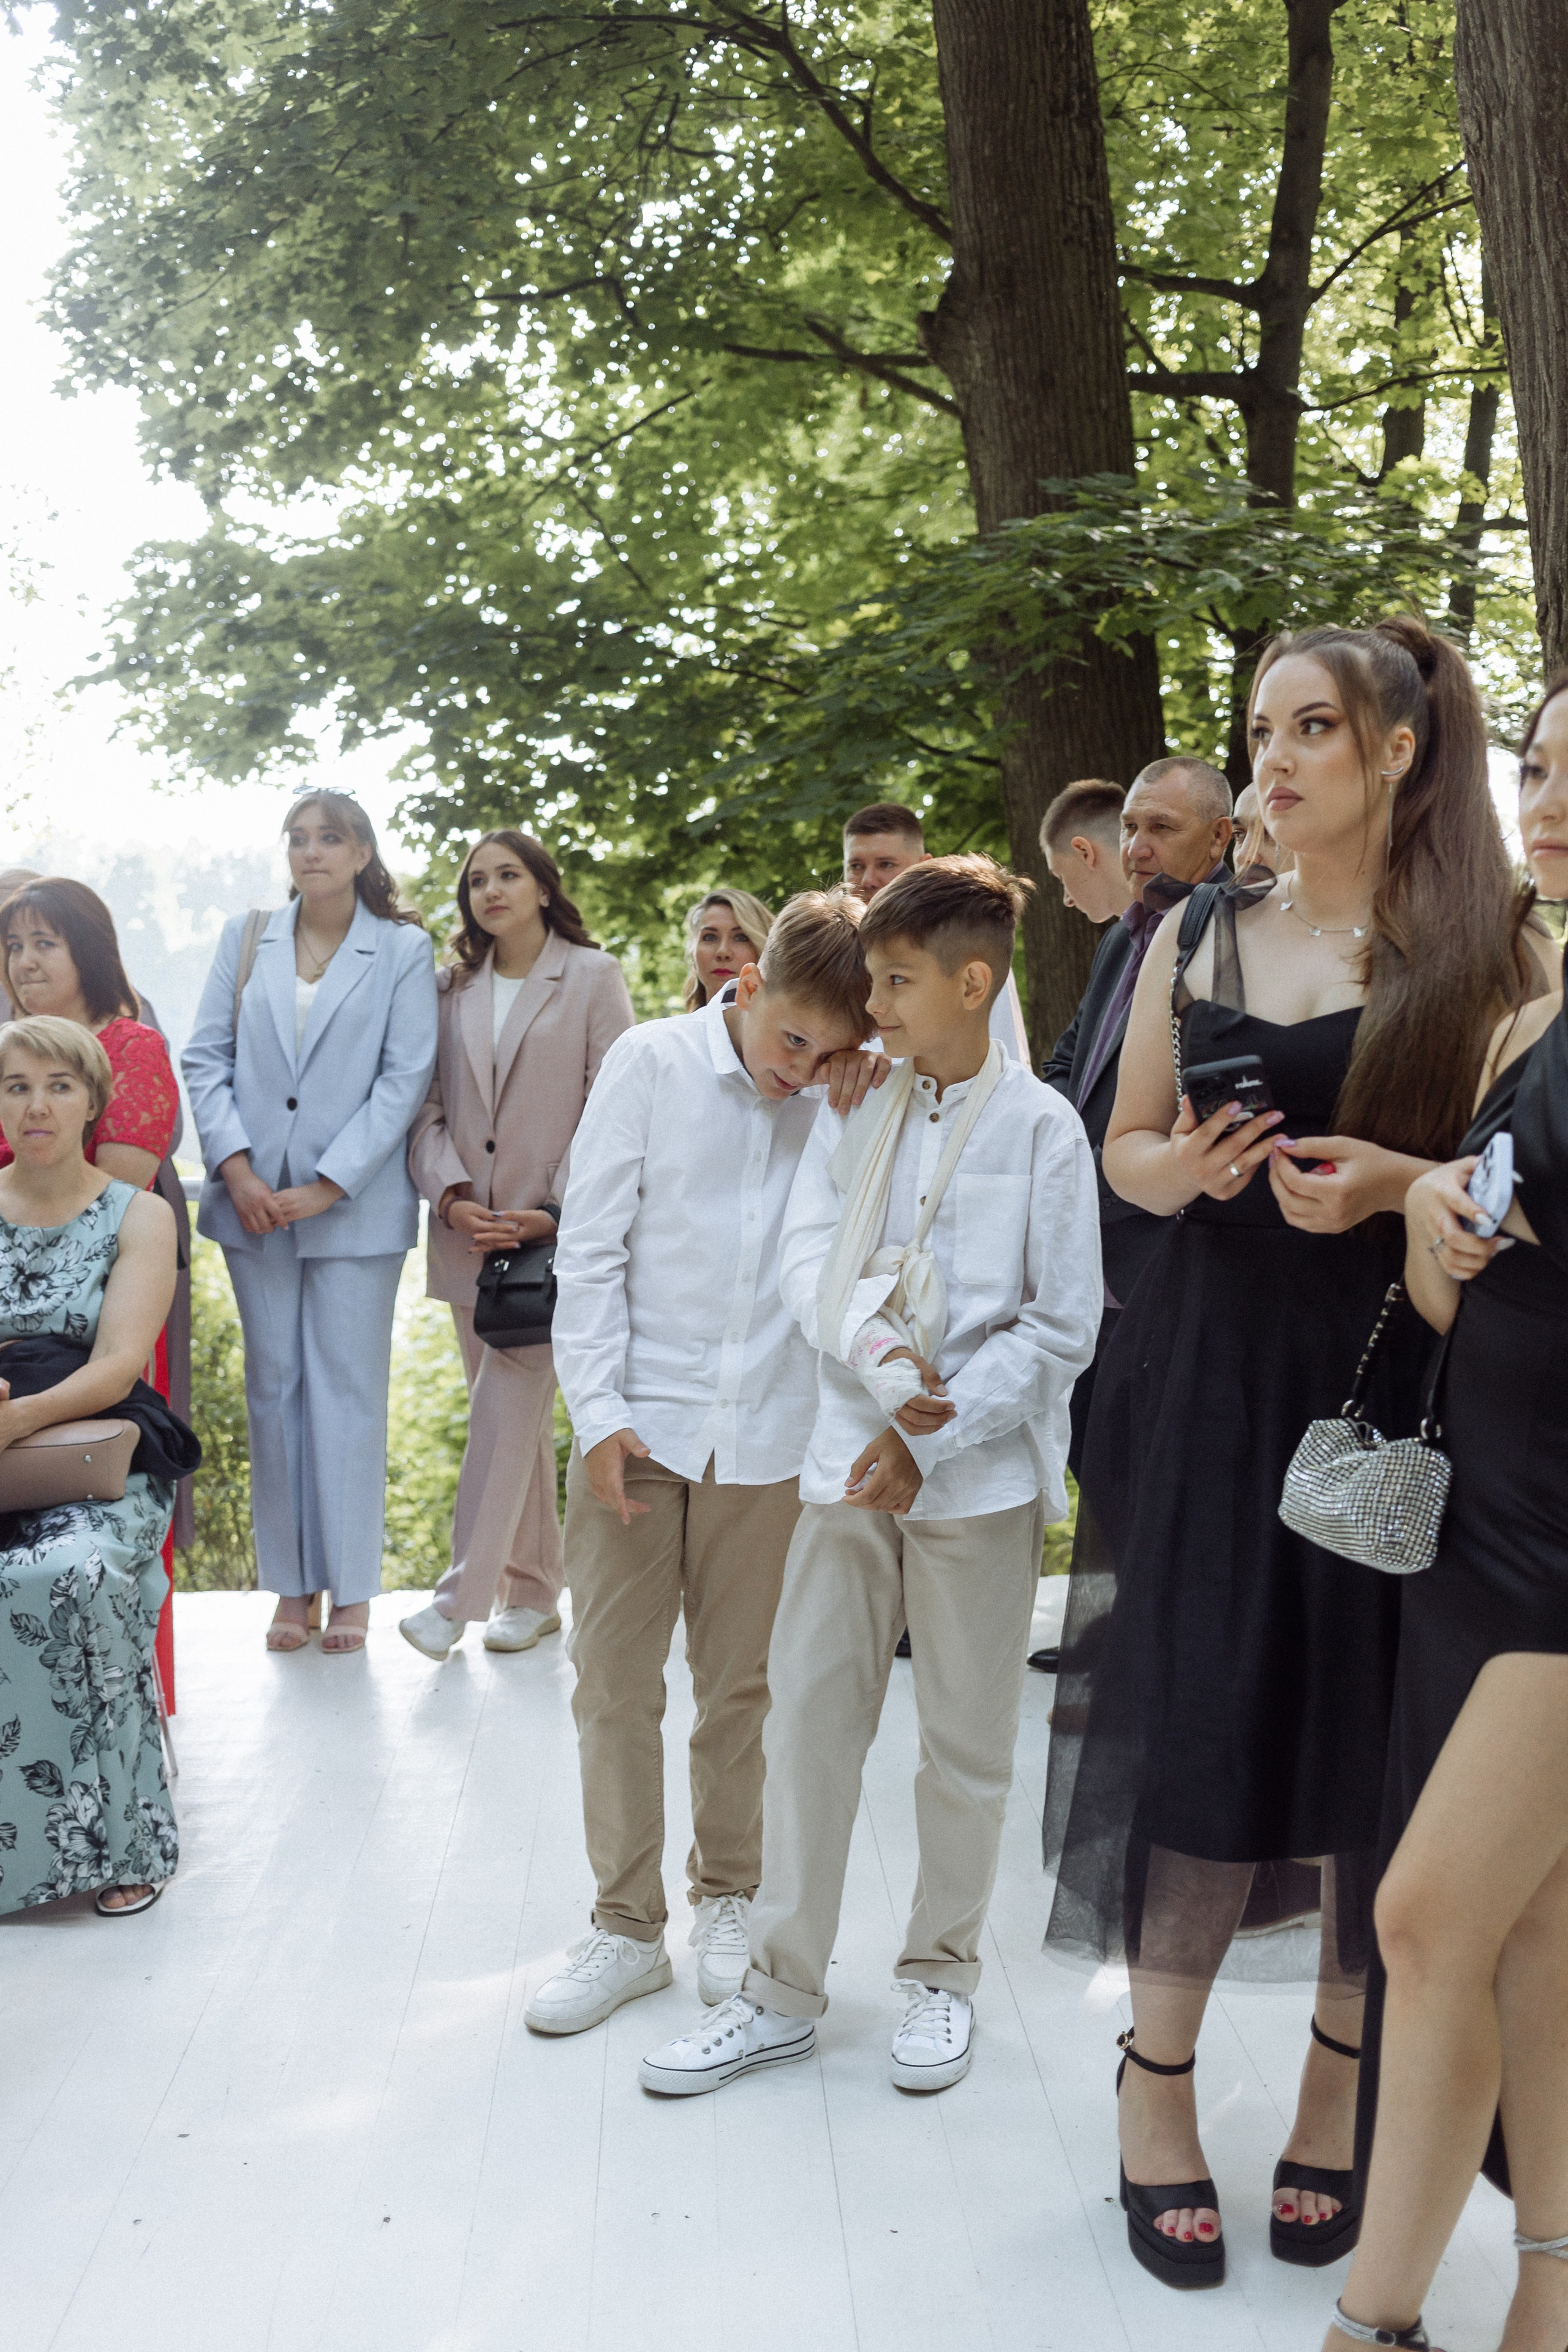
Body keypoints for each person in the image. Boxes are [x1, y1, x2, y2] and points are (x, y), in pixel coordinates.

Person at [1042, 615, 1532, 2291]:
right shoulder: (1193, 929)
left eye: (1315, 726)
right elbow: (1120, 1154)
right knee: (1205, 1711)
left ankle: (1340, 2087)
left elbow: (1530, 1176)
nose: (1276, 754)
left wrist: (1392, 1184)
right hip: (1216, 1376)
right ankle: (1153, 2090)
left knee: (1365, 1748)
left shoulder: (1490, 948)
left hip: (1404, 1381)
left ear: (1399, 750)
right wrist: (1187, 1175)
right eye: (1263, 725)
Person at [638, 856, 1101, 2098]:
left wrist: (932, 1432)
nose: (874, 1008)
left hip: (976, 1483)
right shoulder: (856, 1104)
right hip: (842, 1462)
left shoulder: (1043, 1128)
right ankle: (779, 1990)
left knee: (961, 1740)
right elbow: (809, 1257)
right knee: (809, 1723)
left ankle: (938, 1978)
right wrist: (877, 1361)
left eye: (895, 983)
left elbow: (1060, 1328)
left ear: (969, 982)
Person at [1322, 677, 1568, 2352]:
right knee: (1527, 1929)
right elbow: (1449, 1263)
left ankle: (1371, 2323)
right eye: (1544, 766)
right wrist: (1435, 1231)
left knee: (1421, 1918)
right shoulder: (1531, 1013)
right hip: (1480, 1513)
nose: (1549, 798)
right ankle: (1550, 2284)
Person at [529, 894, 883, 2035]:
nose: (805, 1069)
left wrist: (847, 1108)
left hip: (772, 1439)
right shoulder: (649, 1065)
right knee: (615, 1685)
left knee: (744, 1691)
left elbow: (852, 1268)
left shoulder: (846, 1101)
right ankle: (624, 1927)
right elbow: (587, 1254)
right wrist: (597, 1415)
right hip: (638, 1430)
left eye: (831, 1052)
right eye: (793, 1042)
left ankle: (727, 1898)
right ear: (744, 987)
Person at [183, 789, 438, 1654]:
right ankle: (292, 1590)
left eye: (329, 838)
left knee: (349, 1395)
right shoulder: (246, 937)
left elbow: (404, 1079)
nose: (311, 852)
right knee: (275, 1390)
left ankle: (355, 1592)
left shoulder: (403, 948)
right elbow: (205, 1056)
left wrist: (330, 1183)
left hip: (354, 1209)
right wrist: (238, 1167)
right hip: (251, 1205)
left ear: (363, 851)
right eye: (298, 838)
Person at [401, 830, 634, 1660]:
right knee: (512, 1424)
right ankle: (533, 1596)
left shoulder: (592, 977)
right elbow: (424, 1108)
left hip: (553, 1239)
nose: (490, 890)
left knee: (505, 1408)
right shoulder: (448, 987)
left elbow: (615, 1105)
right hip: (469, 1237)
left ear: (543, 885)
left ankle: (456, 1601)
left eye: (508, 875)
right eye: (476, 880)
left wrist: (554, 1209)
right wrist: (455, 1194)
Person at [0, 1016, 185, 1917]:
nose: (36, 1104)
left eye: (58, 1086)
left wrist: (17, 1418)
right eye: (17, 1086)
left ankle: (125, 1843)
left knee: (67, 1573)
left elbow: (117, 1365)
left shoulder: (137, 1215)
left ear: (93, 1102)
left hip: (91, 1445)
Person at [1041, 762, 1233, 1478]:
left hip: (1170, 1261)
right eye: (1129, 826)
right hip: (1091, 1264)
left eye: (1161, 828)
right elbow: (1068, 1061)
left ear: (1219, 839)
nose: (1137, 847)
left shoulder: (1229, 937)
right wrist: (1064, 1161)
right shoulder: (1122, 937)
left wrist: (1107, 1166)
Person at [0, 878, 179, 1191]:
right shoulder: (9, 1046)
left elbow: (113, 1201)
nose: (24, 963)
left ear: (88, 954)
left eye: (44, 943)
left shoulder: (133, 1049)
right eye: (15, 947)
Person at [842, 802, 1029, 1058]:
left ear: (922, 865)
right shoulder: (829, 953)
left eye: (886, 864)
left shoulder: (967, 949)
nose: (867, 880)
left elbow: (1006, 1059)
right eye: (856, 866)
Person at [683, 887, 773, 1011]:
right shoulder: (670, 1029)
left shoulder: (794, 1028)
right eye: (710, 938)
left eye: (741, 938)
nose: (723, 952)